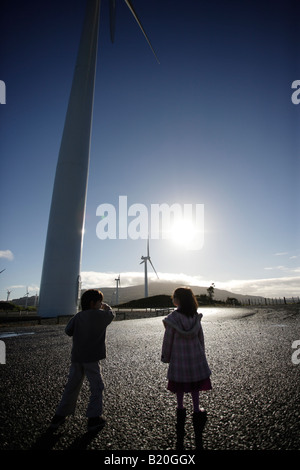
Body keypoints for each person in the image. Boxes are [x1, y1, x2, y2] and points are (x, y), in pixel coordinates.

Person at [49, 289, 115, 432]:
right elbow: (111, 315)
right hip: (91, 359)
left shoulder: (78, 316)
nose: (101, 304)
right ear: (93, 303)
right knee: (97, 386)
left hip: (77, 358)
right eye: (100, 302)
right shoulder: (101, 315)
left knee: (71, 386)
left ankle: (59, 416)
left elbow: (68, 331)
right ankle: (93, 418)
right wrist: (107, 308)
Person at [161, 287, 212, 451]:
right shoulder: (195, 317)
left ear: (178, 300)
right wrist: (202, 352)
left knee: (180, 385)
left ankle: (180, 407)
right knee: (195, 384)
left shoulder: (173, 319)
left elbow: (168, 339)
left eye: (173, 297)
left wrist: (166, 357)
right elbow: (200, 337)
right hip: (195, 356)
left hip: (179, 357)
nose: (172, 299)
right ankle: (197, 409)